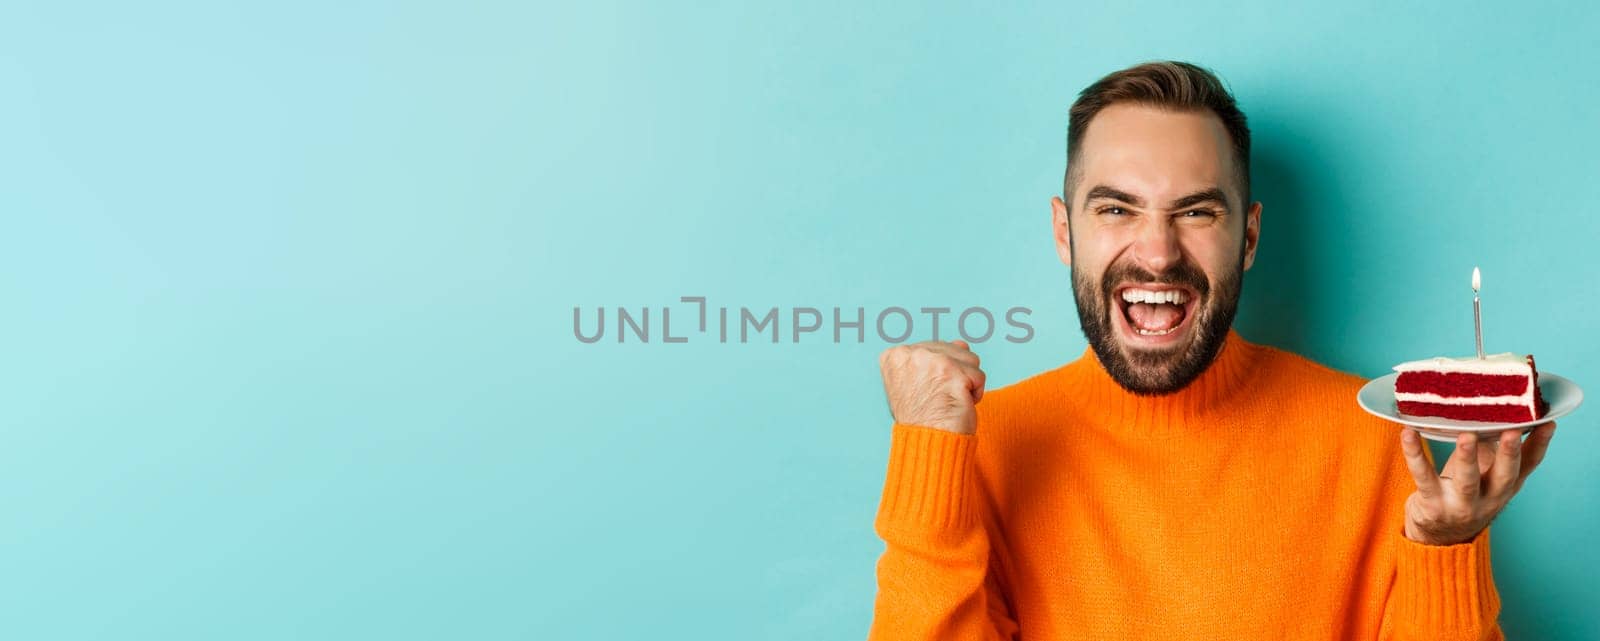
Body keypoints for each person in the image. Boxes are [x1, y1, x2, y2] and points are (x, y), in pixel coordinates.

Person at [867, 61, 1555, 641]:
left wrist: (1445, 550)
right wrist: (928, 460)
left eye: (1197, 212)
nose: (1159, 252)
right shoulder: (986, 449)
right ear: (1062, 231)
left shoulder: (1369, 440)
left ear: (1249, 238)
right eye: (1115, 210)